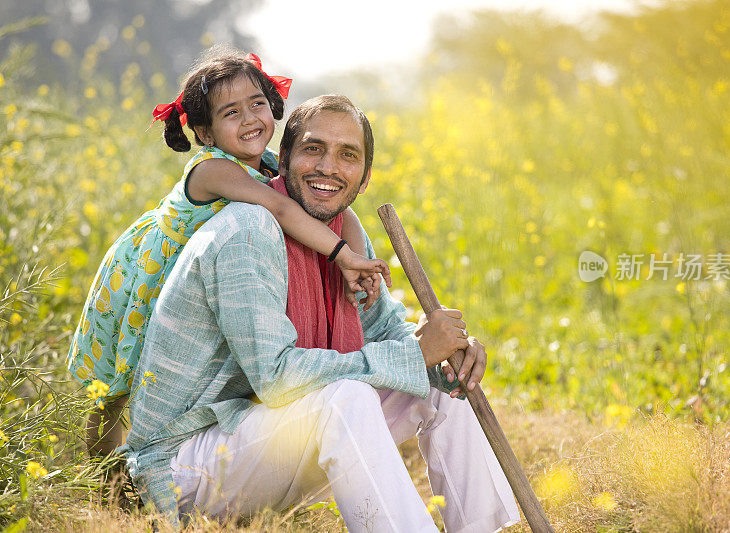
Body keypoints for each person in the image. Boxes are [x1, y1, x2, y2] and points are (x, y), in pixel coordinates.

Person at [119, 95, 520, 532]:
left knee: (441, 382)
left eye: (347, 155)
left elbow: (385, 329)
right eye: (314, 149)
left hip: (265, 441)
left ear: (364, 179)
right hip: (185, 466)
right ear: (284, 157)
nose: (329, 167)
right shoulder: (245, 230)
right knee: (348, 397)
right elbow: (275, 376)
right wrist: (413, 355)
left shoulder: (342, 233)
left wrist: (446, 350)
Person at [67, 51, 391, 456]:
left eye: (257, 103)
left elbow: (340, 216)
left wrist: (355, 256)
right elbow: (282, 207)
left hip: (195, 271)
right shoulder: (213, 170)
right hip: (148, 273)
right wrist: (343, 256)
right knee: (118, 383)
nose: (250, 118)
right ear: (205, 132)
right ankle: (101, 478)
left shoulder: (269, 165)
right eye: (231, 112)